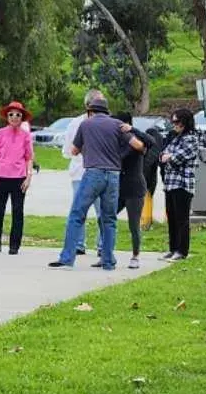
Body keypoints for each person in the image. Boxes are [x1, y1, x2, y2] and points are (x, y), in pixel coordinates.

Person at [48, 92, 141, 271]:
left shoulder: (85, 124)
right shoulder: (117, 125)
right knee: (109, 219)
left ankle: (67, 258)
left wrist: (89, 150)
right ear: (107, 112)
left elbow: (74, 151)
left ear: (90, 111)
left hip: (93, 173)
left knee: (77, 214)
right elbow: (137, 145)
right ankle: (108, 261)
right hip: (113, 176)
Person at [158, 107, 206, 262]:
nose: (174, 125)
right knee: (171, 217)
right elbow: (162, 154)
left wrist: (169, 157)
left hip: (183, 184)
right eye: (173, 122)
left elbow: (177, 158)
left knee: (181, 219)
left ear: (185, 122)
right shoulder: (175, 138)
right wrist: (166, 157)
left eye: (177, 122)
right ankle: (173, 248)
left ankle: (182, 250)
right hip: (170, 183)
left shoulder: (191, 139)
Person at [0, 100, 35, 254]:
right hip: (0, 176)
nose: (14, 117)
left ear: (22, 118)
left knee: (17, 211)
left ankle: (14, 245)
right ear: (7, 117)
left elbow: (29, 157)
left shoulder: (25, 135)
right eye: (11, 114)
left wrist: (28, 177)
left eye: (18, 115)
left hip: (19, 177)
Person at [117, 115, 155, 270]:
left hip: (135, 188)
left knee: (134, 224)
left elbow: (151, 141)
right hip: (119, 187)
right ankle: (105, 253)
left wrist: (133, 129)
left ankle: (135, 256)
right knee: (105, 219)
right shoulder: (117, 141)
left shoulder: (137, 142)